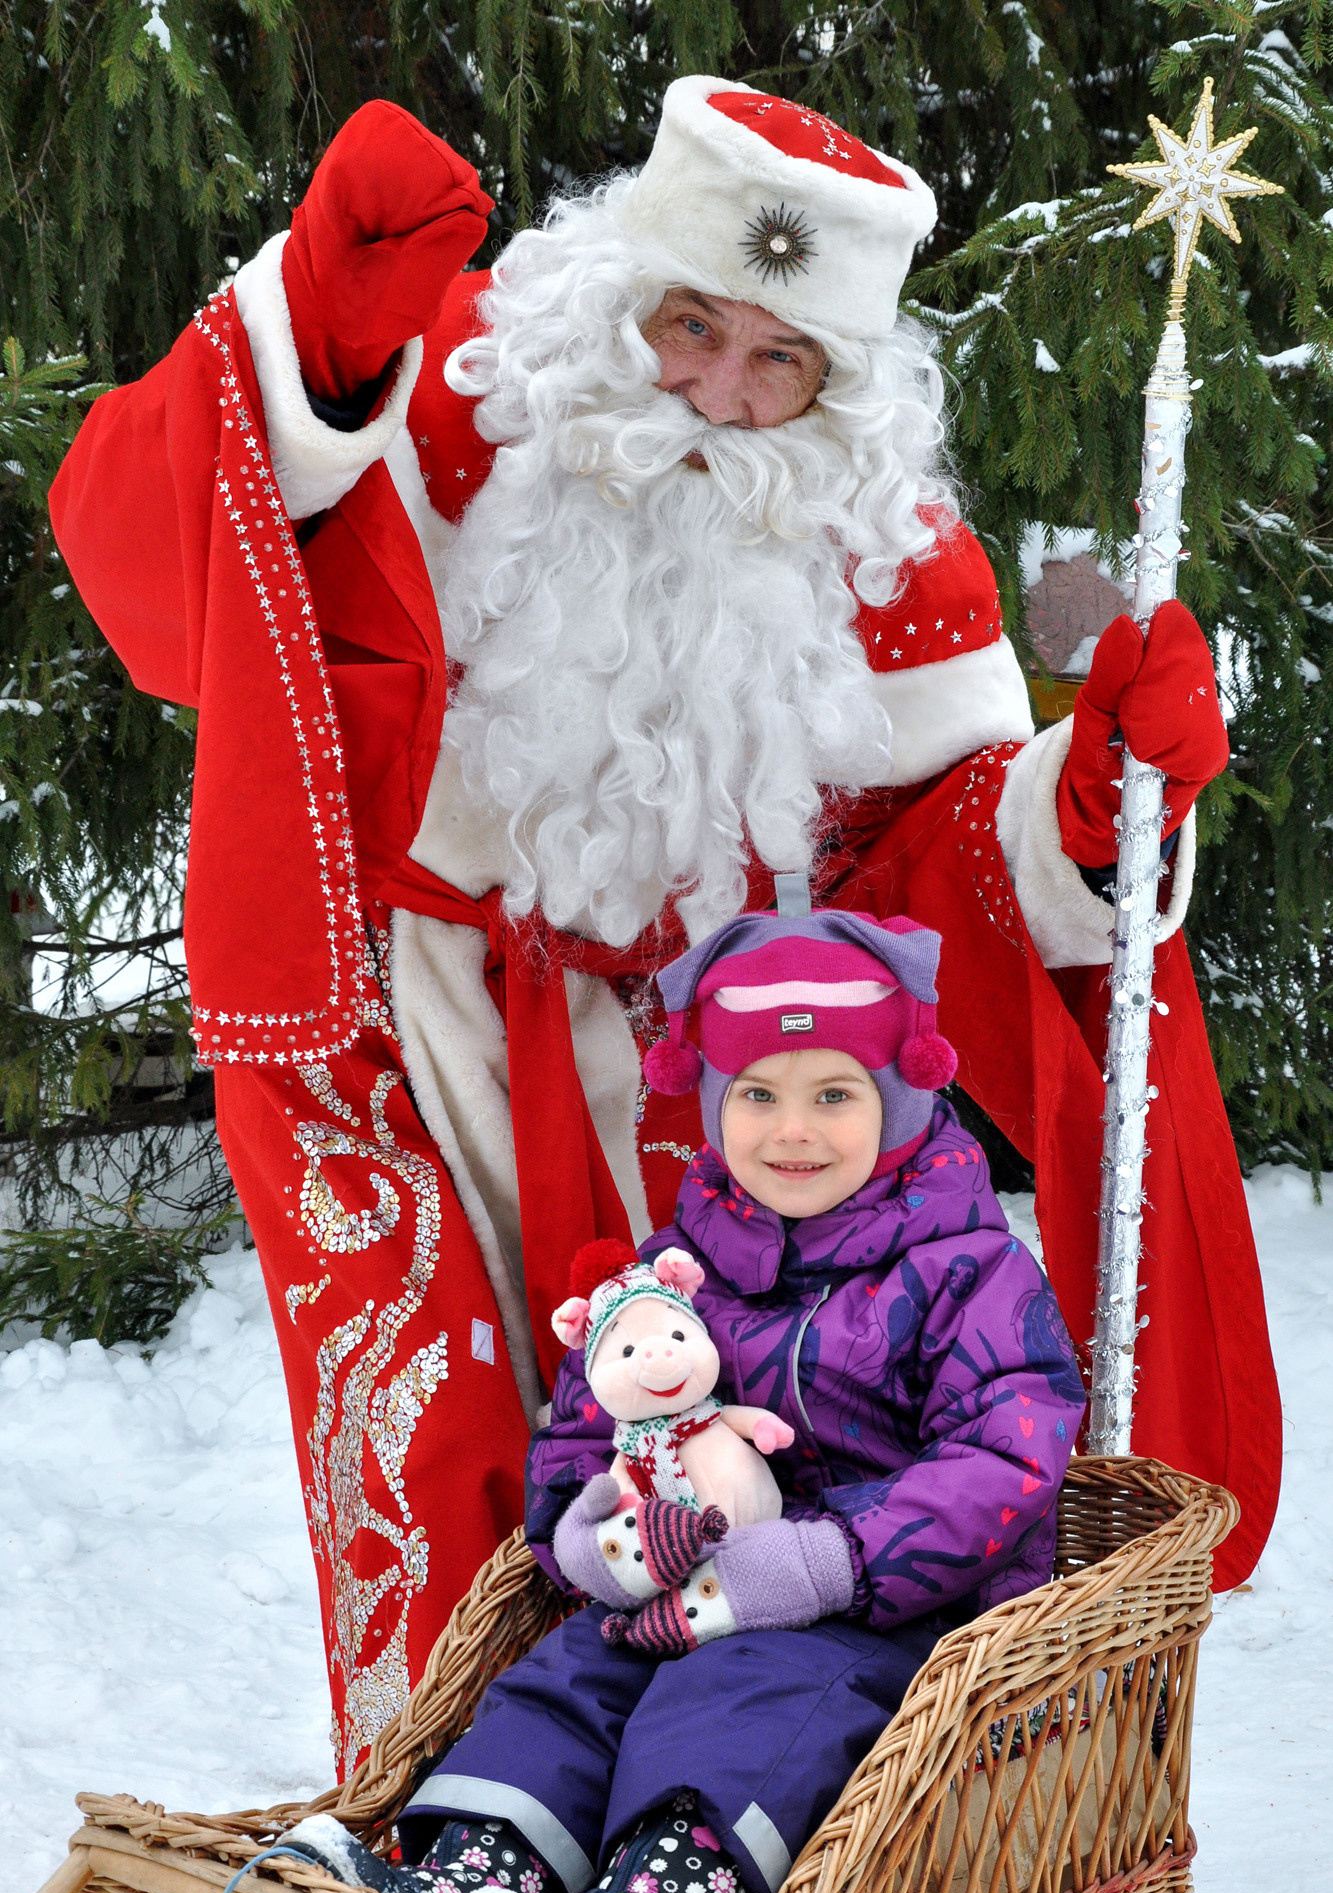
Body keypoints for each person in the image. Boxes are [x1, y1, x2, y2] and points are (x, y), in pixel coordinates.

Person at [48, 76, 1278, 1772]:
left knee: (750, 1491)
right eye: (687, 324)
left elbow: (931, 866)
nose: (713, 392)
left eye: (778, 361)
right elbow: (156, 584)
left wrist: (1077, 807)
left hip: (732, 1078)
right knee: (450, 1475)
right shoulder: (457, 390)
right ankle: (465, 1862)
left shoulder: (891, 555)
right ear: (619, 289)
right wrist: (311, 356)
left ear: (839, 393)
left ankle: (720, 1865)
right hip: (412, 1028)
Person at [281, 910, 1087, 1893]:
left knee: (744, 1692)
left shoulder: (967, 1270)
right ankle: (475, 1862)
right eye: (756, 1094)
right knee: (574, 1669)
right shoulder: (678, 1267)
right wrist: (596, 1534)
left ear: (901, 1096)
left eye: (834, 1095)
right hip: (686, 1588)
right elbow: (590, 1415)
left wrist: (832, 1556)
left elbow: (1007, 1456)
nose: (790, 1131)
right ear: (712, 1099)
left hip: (886, 1616)